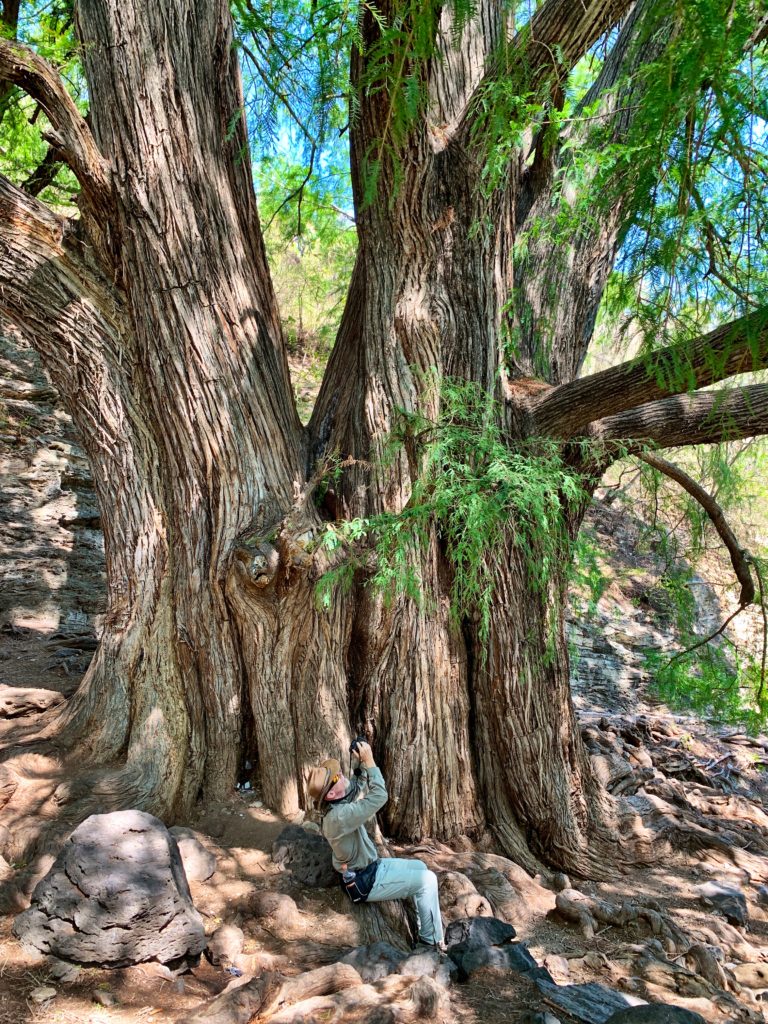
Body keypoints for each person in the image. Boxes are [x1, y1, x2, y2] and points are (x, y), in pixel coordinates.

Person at [307, 741, 444, 951]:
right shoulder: (339, 817)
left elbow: (355, 787)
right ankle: (430, 943)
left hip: (373, 866)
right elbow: (379, 797)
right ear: (331, 795)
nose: (341, 776)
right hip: (364, 882)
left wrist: (359, 764)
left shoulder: (337, 804)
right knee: (428, 881)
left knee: (421, 868)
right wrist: (370, 762)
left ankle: (425, 928)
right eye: (336, 778)